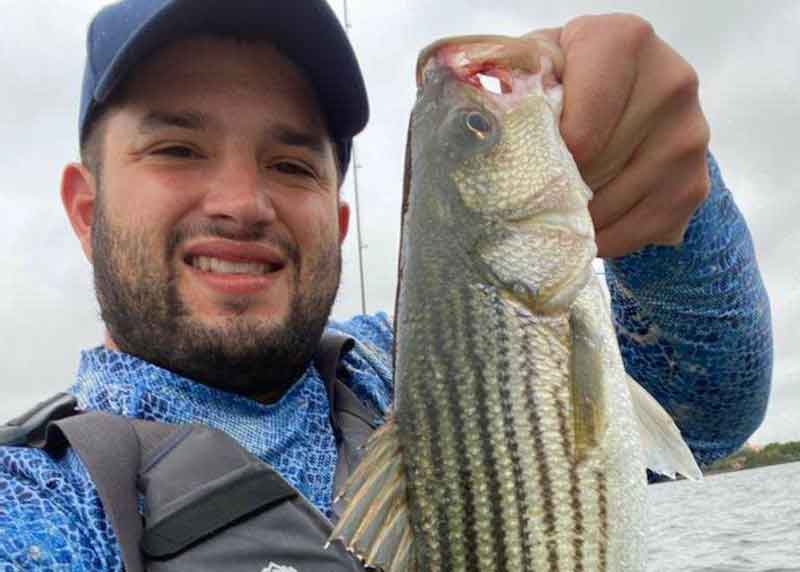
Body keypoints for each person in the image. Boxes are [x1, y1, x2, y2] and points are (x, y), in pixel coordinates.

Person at [0, 0, 772, 570]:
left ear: (336, 220)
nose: (241, 202)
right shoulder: (36, 502)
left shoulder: (405, 365)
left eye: (291, 163)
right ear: (85, 208)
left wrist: (670, 208)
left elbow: (706, 404)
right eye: (177, 148)